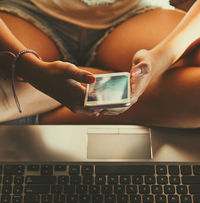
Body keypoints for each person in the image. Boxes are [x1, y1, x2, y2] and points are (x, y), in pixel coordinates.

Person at [0, 0, 199, 127]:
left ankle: (37, 109)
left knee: (8, 99)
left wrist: (161, 57)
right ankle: (109, 90)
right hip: (24, 12)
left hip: (129, 16)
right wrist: (29, 68)